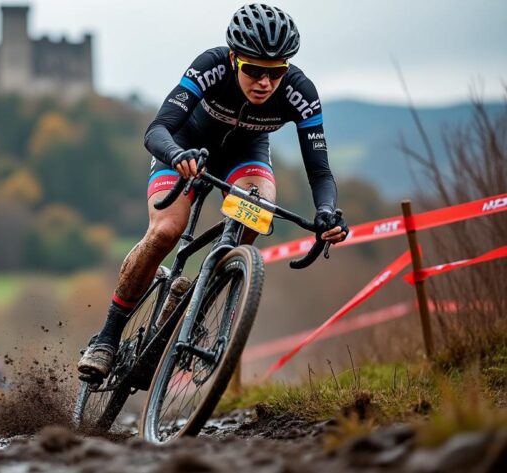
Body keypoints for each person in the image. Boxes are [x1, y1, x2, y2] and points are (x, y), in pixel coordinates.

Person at [78, 4, 349, 379]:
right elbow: (157, 129)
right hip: (187, 147)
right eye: (253, 70)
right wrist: (176, 155)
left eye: (275, 73)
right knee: (165, 233)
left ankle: (195, 307)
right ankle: (106, 338)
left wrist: (327, 211)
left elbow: (319, 170)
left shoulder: (300, 91)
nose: (264, 83)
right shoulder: (211, 65)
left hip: (246, 156)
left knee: (259, 207)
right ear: (235, 59)